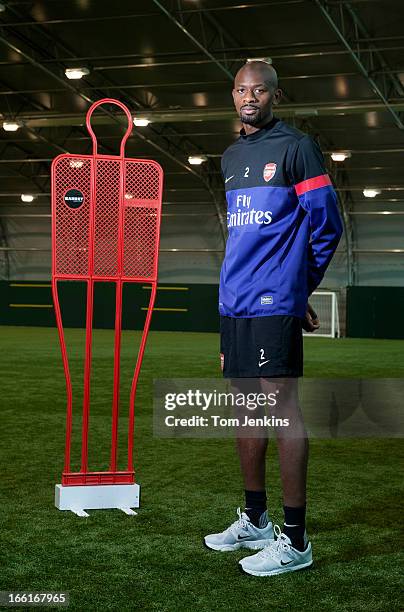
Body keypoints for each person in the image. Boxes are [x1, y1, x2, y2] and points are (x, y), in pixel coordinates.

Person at [204, 60, 343, 576]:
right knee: (245, 408)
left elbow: (327, 225)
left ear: (275, 96)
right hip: (234, 300)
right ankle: (256, 520)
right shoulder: (230, 155)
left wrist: (295, 286)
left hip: (272, 300)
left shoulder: (297, 147)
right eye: (241, 89)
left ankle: (297, 540)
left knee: (281, 408)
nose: (249, 97)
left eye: (259, 90)